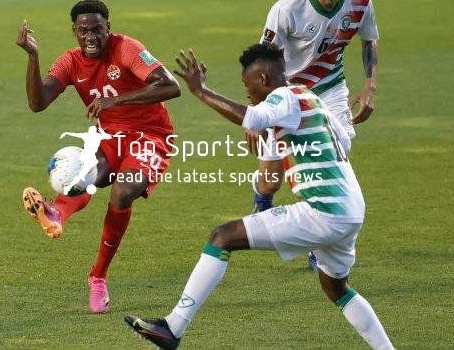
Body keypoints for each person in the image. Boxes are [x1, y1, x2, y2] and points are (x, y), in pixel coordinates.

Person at [124, 43, 393, 350]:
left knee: (222, 237)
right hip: (352, 209)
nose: (247, 93)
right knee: (337, 289)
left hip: (324, 210)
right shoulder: (310, 99)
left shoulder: (283, 96)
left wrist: (200, 90)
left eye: (247, 86)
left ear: (263, 80)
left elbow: (251, 118)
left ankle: (173, 327)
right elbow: (299, 164)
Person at [15, 0, 180, 313]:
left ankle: (98, 277)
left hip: (150, 136)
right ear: (74, 31)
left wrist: (116, 101)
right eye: (83, 31)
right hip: (110, 138)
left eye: (97, 30)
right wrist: (33, 56)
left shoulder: (128, 48)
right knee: (84, 175)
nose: (91, 37)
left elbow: (170, 87)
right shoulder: (70, 62)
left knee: (124, 190)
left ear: (108, 27)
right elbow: (38, 103)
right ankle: (55, 214)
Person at [252, 0, 380, 271]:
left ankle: (319, 243)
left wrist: (369, 86)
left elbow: (369, 40)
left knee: (330, 161)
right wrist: (257, 112)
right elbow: (263, 61)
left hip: (330, 92)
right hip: (286, 93)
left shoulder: (360, 3)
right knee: (271, 181)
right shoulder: (287, 9)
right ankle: (261, 199)